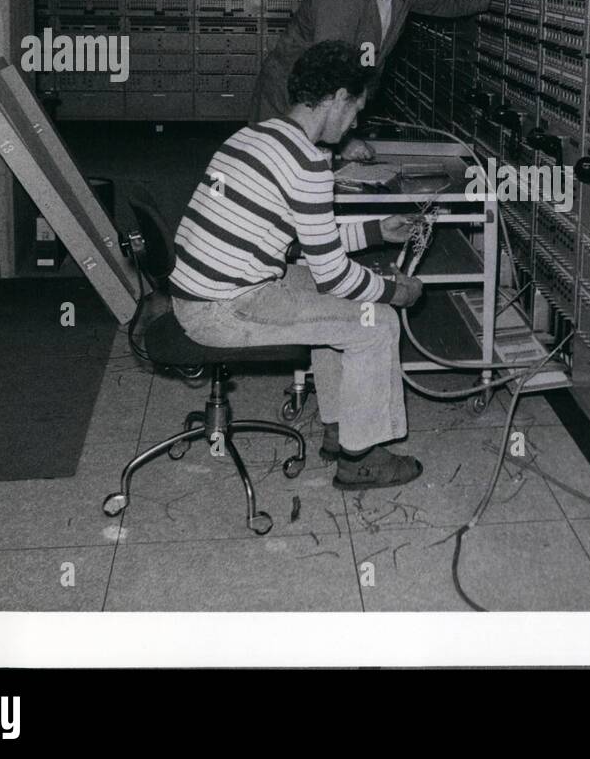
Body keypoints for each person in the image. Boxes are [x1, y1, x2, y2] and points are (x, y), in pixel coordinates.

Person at [170, 40, 425, 490]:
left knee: (325, 294)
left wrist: (375, 232)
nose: (356, 122)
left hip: (201, 294)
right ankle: (361, 458)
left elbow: (302, 246)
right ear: (339, 97)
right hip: (223, 310)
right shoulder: (308, 161)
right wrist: (394, 290)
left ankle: (342, 427)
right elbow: (334, 274)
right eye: (356, 109)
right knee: (376, 321)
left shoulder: (257, 135)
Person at [248, 0, 510, 158]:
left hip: (331, 105)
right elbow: (328, 71)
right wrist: (343, 140)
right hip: (293, 101)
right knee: (277, 172)